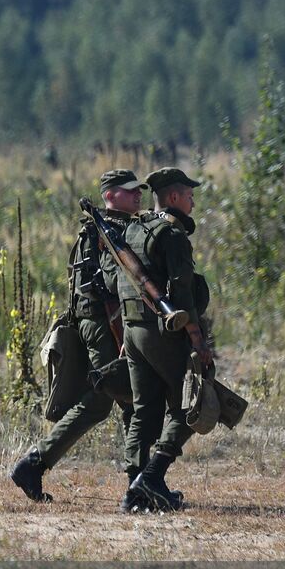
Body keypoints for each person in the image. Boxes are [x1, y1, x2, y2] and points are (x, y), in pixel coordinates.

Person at [10, 169, 144, 503]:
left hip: (103, 319)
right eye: (129, 191)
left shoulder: (113, 228)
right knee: (108, 393)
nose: (137, 195)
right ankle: (34, 464)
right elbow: (111, 285)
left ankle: (140, 479)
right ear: (110, 195)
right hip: (100, 321)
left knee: (128, 392)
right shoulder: (102, 232)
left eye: (138, 190)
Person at [117, 167, 211, 512]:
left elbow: (120, 282)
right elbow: (183, 292)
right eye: (189, 195)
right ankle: (153, 477)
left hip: (133, 331)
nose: (193, 202)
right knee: (193, 401)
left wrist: (129, 332)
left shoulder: (134, 228)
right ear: (173, 197)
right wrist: (199, 342)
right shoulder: (172, 235)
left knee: (144, 410)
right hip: (163, 332)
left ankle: (134, 492)